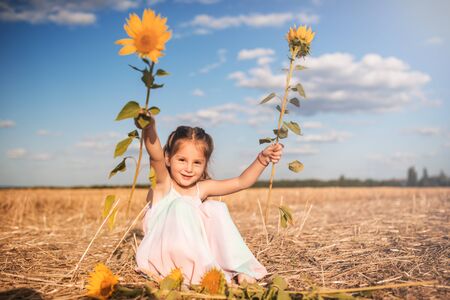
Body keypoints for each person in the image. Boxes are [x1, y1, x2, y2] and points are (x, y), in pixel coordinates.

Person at [135, 113, 283, 285]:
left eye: (197, 162)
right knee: (182, 206)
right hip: (162, 255)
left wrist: (262, 159)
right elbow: (155, 156)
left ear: (205, 163)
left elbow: (241, 182)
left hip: (196, 256)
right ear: (168, 158)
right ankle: (207, 277)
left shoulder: (201, 188)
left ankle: (238, 268)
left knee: (215, 208)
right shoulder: (163, 185)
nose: (189, 168)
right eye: (182, 160)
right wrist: (149, 127)